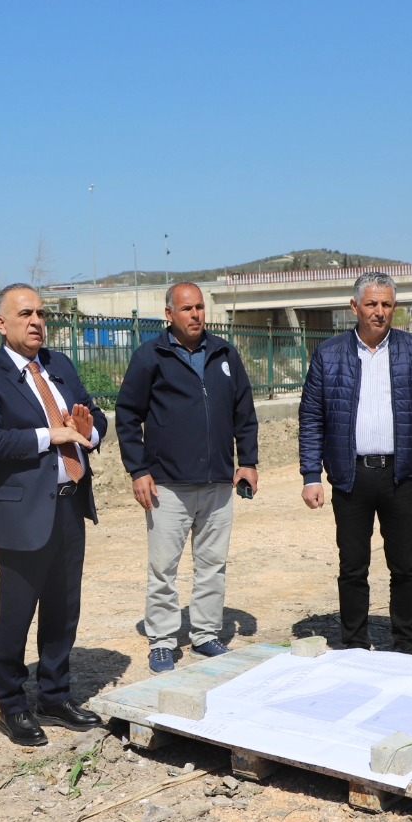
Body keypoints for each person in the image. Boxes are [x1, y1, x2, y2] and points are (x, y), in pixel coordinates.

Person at [0, 283, 108, 746]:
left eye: (41, 314)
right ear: (1, 324)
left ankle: (55, 695)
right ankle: (12, 706)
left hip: (69, 503)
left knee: (63, 609)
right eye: (25, 314)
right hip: (23, 514)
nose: (37, 322)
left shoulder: (60, 366)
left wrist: (89, 430)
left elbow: (95, 418)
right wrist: (52, 435)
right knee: (17, 613)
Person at [298, 271, 412, 655]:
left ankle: (405, 645)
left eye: (386, 304)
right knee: (353, 566)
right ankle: (354, 644)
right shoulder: (329, 354)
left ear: (394, 307)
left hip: (400, 476)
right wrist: (311, 475)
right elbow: (312, 417)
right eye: (371, 304)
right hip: (350, 477)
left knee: (404, 566)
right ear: (355, 306)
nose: (379, 312)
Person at [116, 282, 259, 673]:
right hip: (167, 484)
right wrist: (138, 470)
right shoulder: (151, 356)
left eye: (199, 307)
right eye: (186, 308)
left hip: (218, 482)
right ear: (169, 314)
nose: (195, 314)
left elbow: (244, 411)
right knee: (163, 569)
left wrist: (248, 461)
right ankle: (162, 640)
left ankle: (205, 635)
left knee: (212, 564)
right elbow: (127, 415)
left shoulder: (225, 353)